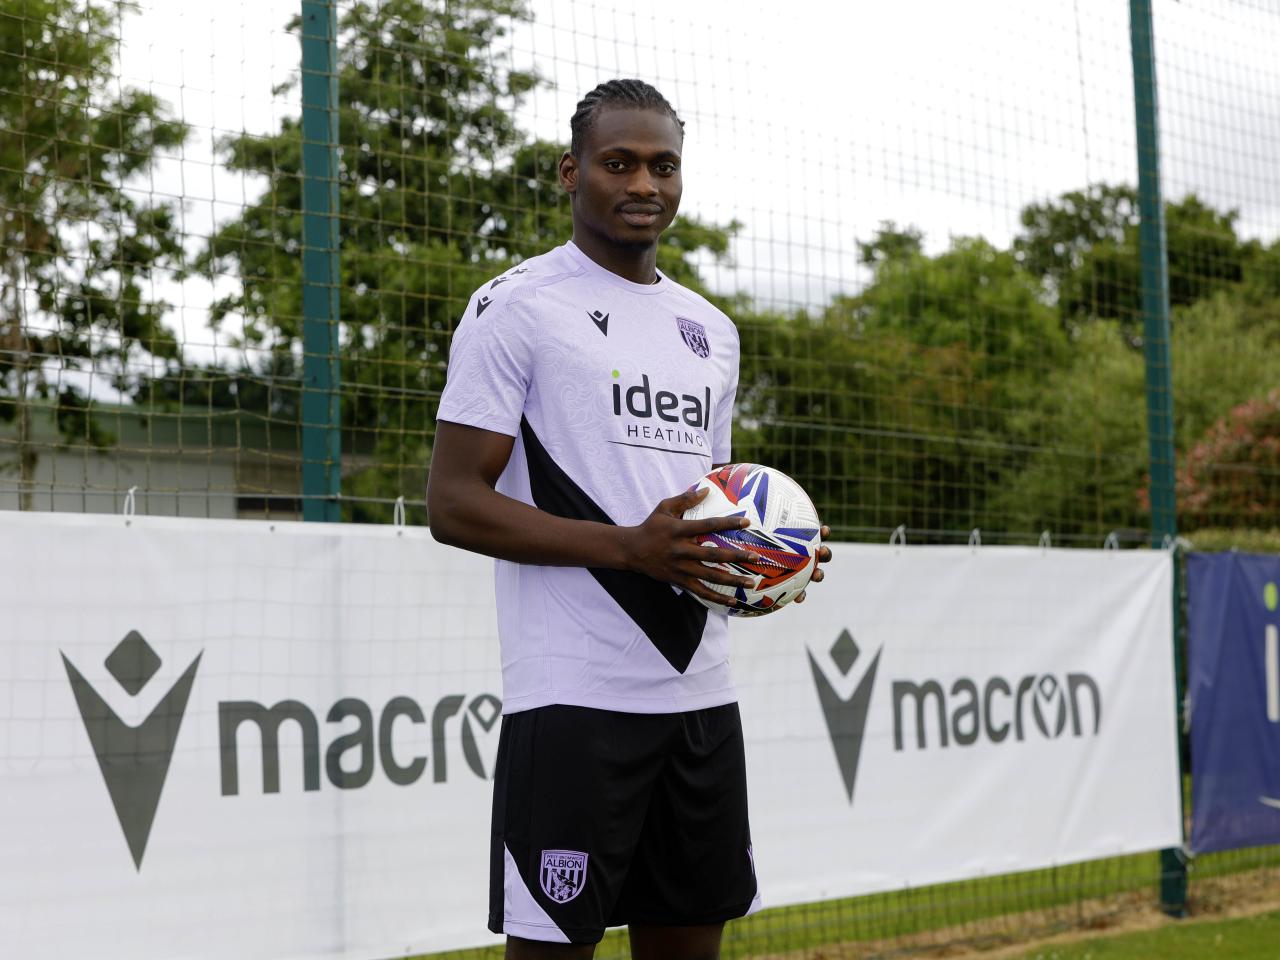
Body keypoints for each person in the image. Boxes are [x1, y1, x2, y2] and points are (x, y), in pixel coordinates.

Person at [427, 78, 831, 960]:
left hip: (700, 696)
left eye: (663, 166)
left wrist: (767, 558)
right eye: (619, 163)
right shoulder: (518, 308)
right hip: (574, 698)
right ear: (572, 173)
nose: (644, 183)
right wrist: (629, 549)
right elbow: (452, 503)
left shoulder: (711, 331)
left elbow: (706, 500)